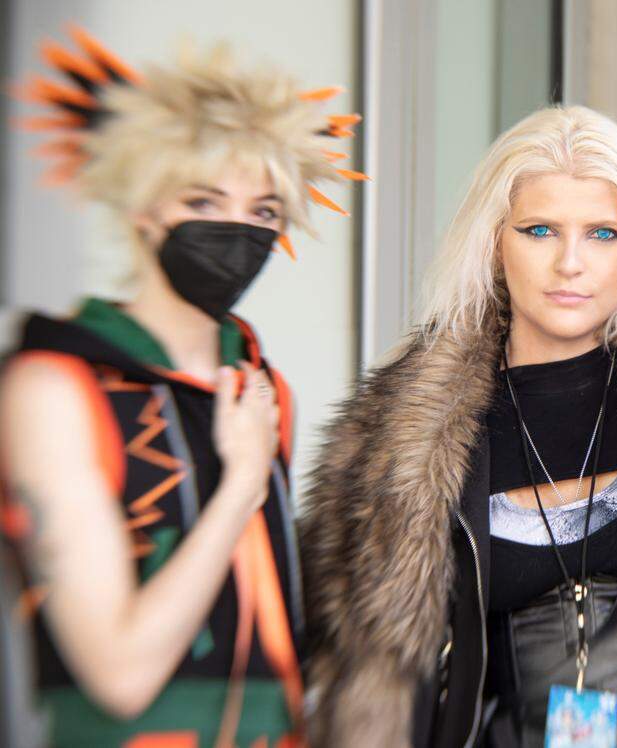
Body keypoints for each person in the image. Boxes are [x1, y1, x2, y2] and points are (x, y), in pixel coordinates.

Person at [300, 105, 617, 747]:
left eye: (603, 234)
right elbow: (362, 678)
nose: (571, 264)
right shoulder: (395, 444)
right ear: (494, 241)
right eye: (540, 230)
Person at [0, 26, 364, 745]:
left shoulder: (259, 388)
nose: (238, 232)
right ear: (144, 207)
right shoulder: (52, 388)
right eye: (204, 200)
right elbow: (119, 673)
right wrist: (240, 485)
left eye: (263, 212)